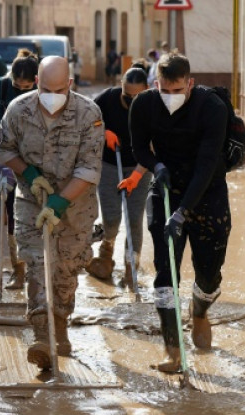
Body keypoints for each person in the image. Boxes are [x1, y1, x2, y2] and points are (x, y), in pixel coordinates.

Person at [0, 56, 104, 372]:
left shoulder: (89, 114)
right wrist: (28, 175)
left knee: (67, 269)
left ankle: (60, 321)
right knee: (37, 264)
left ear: (69, 84)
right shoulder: (18, 109)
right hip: (32, 201)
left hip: (76, 207)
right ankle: (43, 335)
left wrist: (59, 203)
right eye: (45, 88)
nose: (50, 95)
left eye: (57, 89)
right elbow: (3, 149)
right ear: (37, 83)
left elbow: (89, 167)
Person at [123, 53, 230, 373]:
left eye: (177, 91)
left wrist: (183, 212)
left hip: (207, 193)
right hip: (166, 189)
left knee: (209, 273)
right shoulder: (144, 105)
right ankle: (172, 348)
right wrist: (156, 166)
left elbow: (208, 164)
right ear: (156, 84)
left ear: (190, 84)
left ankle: (199, 312)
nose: (170, 97)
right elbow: (138, 147)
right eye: (164, 90)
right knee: (165, 271)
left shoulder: (212, 108)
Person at [86, 67, 150, 285]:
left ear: (147, 90)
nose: (131, 100)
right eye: (127, 95)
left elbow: (155, 147)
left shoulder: (153, 106)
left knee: (134, 219)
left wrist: (136, 176)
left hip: (140, 167)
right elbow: (85, 120)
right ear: (120, 86)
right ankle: (106, 251)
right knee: (111, 218)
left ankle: (132, 267)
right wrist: (102, 130)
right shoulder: (106, 99)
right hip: (109, 165)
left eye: (137, 96)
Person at [0, 49, 38, 291]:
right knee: (6, 214)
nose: (21, 89)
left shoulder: (43, 91)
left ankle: (36, 267)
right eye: (17, 84)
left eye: (26, 86)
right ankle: (17, 269)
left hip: (33, 161)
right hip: (5, 158)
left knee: (32, 214)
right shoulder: (1, 87)